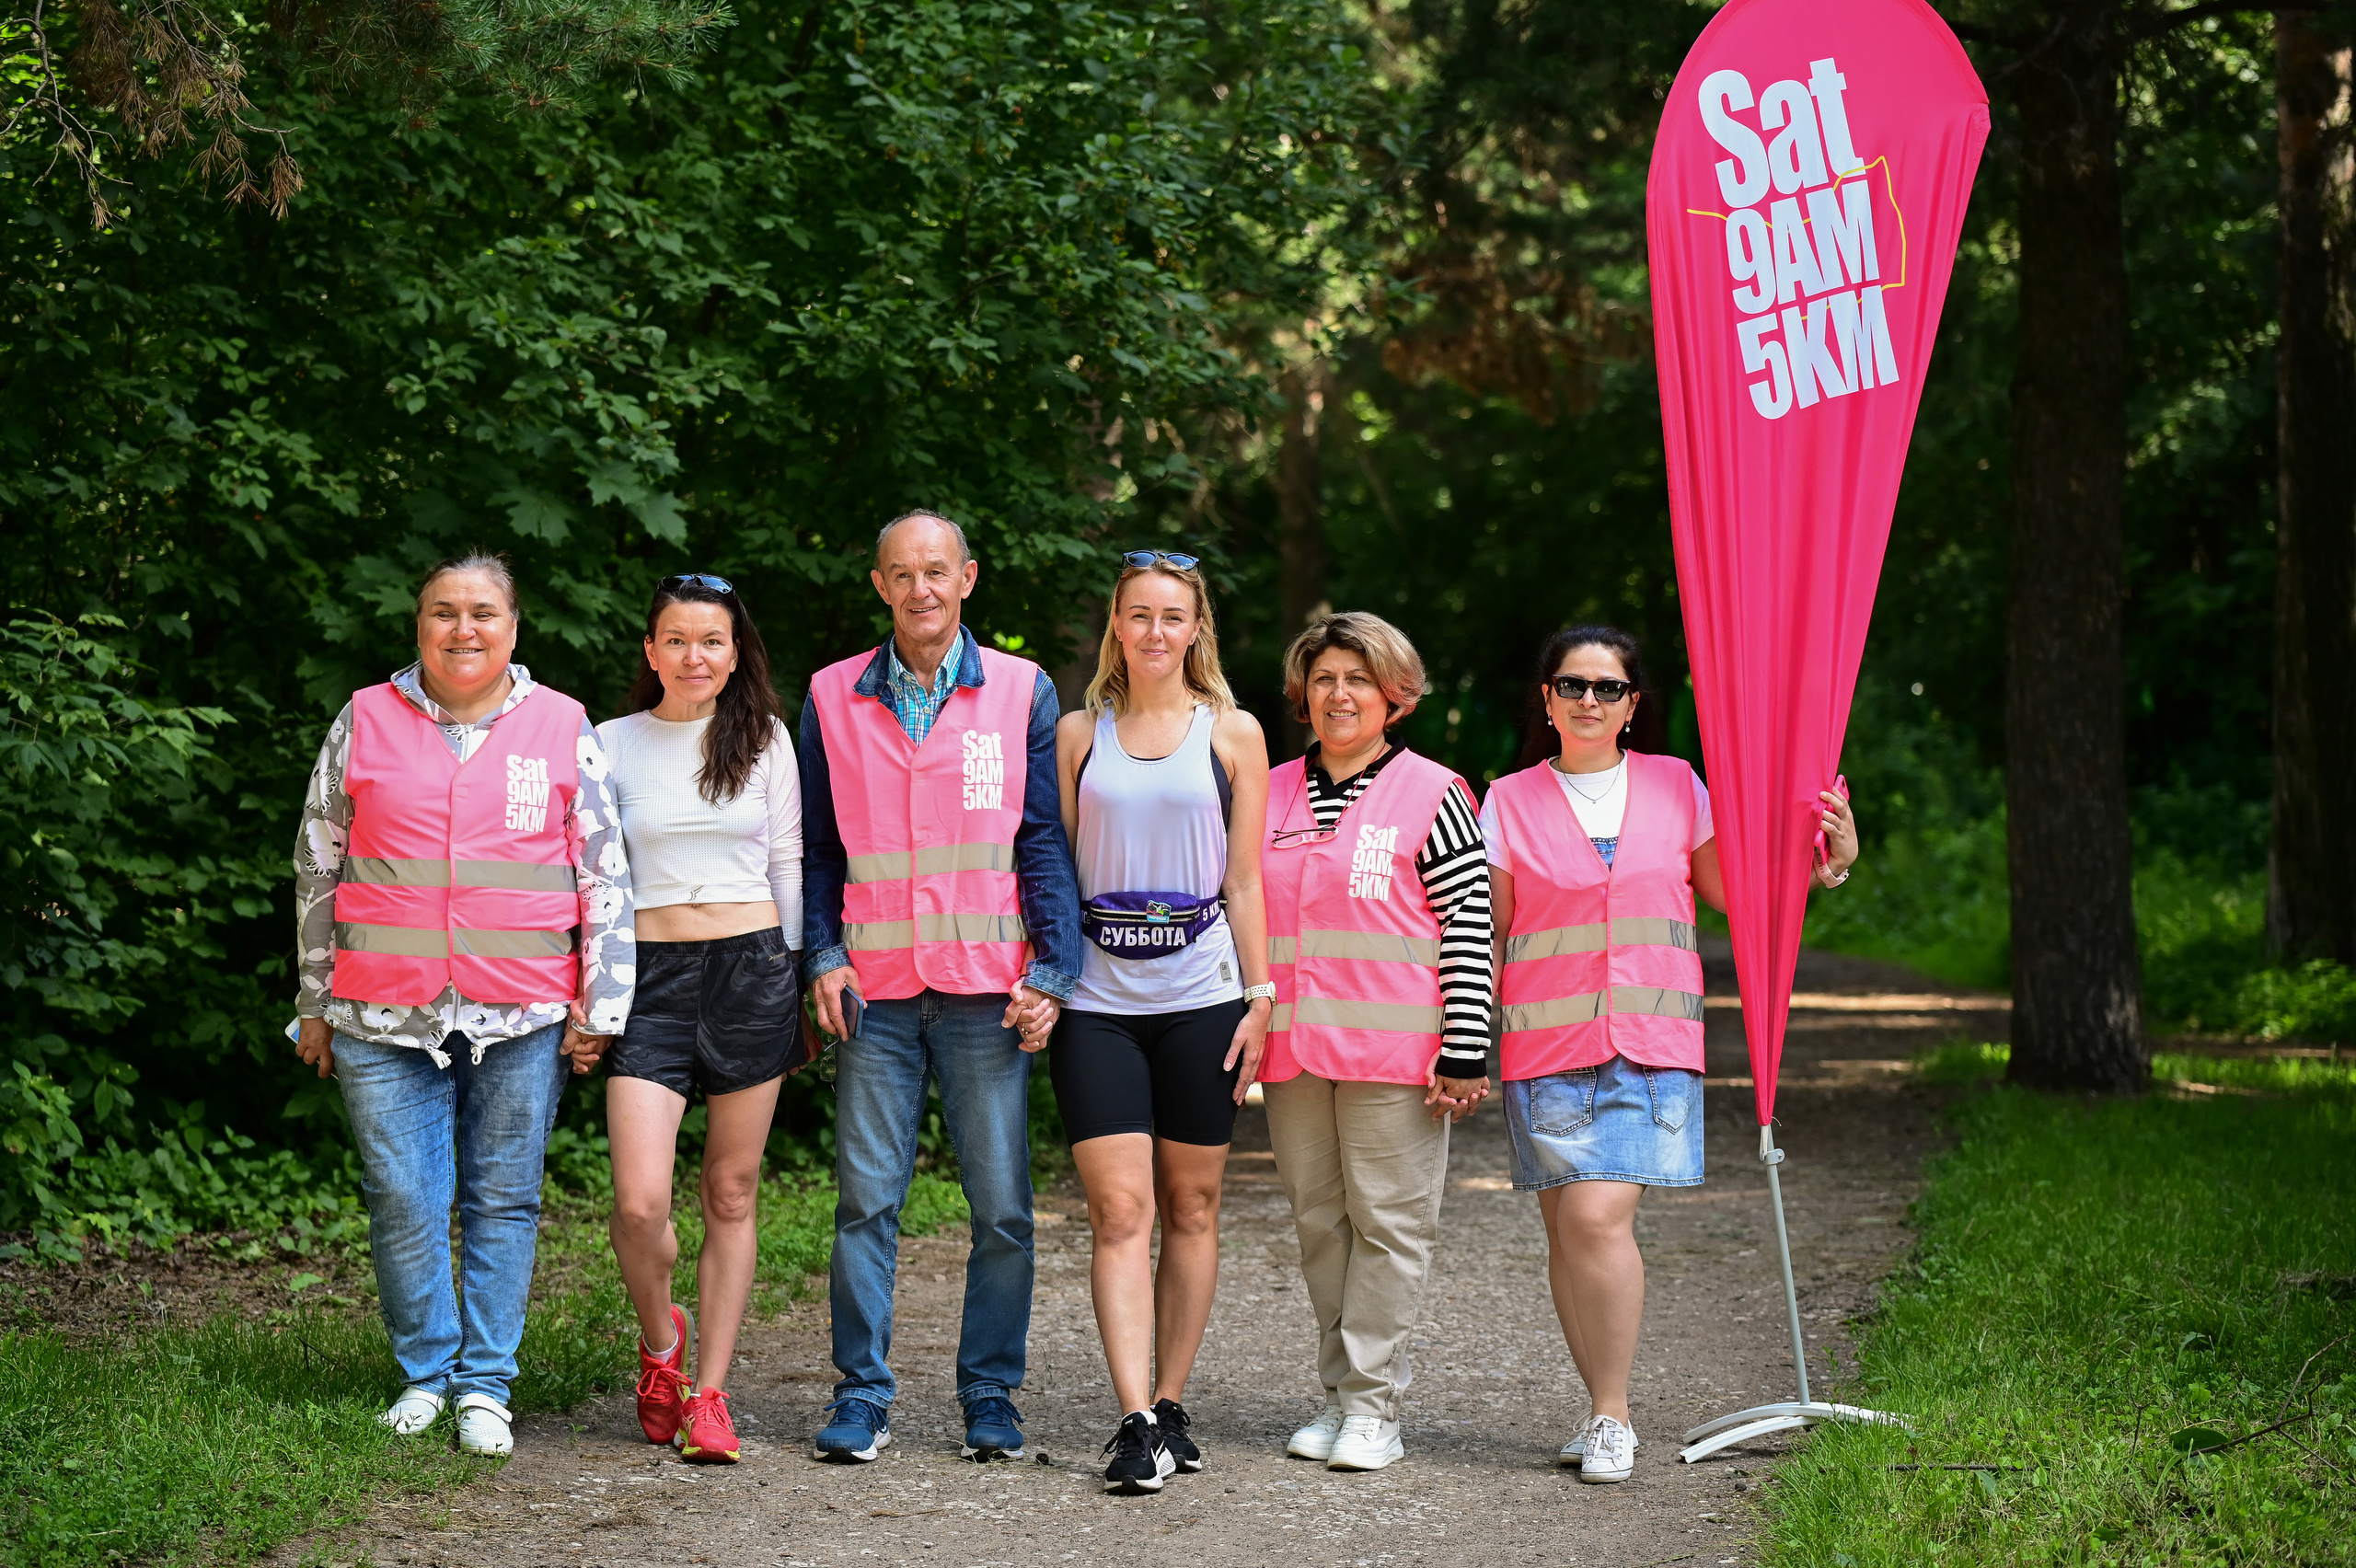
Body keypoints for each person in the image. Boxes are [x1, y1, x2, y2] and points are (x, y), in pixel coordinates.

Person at [1481, 625, 1858, 1484]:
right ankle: (1595, 1406)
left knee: (1596, 1220)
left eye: (1607, 688)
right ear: (1547, 701)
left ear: (1631, 705)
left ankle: (1614, 1416)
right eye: (1571, 685)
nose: (1588, 700)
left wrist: (1826, 867)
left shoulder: (1677, 785)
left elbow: (1734, 895)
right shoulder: (1504, 800)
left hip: (1651, 1046)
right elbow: (1489, 929)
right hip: (1547, 1047)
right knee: (1565, 1233)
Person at [292, 553, 631, 1458]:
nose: (463, 629)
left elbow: (603, 871)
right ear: (419, 626)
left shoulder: (561, 724)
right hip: (379, 1008)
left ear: (514, 627)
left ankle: (485, 1383)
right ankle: (425, 1372)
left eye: (482, 612)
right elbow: (319, 863)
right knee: (403, 1194)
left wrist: (601, 1003)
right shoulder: (365, 718)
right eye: (443, 612)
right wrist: (313, 998)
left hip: (520, 1008)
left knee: (504, 1197)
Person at [798, 511, 1084, 1464]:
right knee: (864, 1204)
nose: (921, 589)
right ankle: (861, 1396)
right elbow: (816, 851)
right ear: (879, 585)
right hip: (873, 992)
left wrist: (1053, 970)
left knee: (1002, 1206)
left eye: (937, 571)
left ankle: (991, 1396)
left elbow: (1041, 837)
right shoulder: (831, 694)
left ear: (968, 577)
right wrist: (822, 956)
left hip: (983, 989)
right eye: (901, 574)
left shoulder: (1022, 690)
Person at [1050, 551, 1275, 1493]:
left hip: (1202, 999)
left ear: (1196, 631)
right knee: (1119, 1210)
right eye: (1137, 615)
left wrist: (1261, 996)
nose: (1153, 632)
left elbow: (1244, 878)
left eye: (1171, 617)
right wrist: (1046, 978)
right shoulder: (1074, 734)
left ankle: (1173, 1401)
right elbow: (1056, 871)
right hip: (1097, 1004)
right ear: (1116, 624)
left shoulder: (1233, 733)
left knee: (1190, 1207)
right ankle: (1134, 1416)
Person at [1256, 611, 1493, 1474]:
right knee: (1320, 1225)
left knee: (1390, 1227)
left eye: (1359, 679)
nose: (1340, 694)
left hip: (1396, 1058)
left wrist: (1466, 1046)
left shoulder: (1437, 791)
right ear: (1302, 696)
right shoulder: (1270, 789)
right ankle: (1337, 1398)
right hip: (1291, 1052)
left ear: (1395, 696)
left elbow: (1468, 922)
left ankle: (1372, 1408)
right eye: (1324, 680)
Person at [596, 572, 803, 1465]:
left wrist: (794, 976)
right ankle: (660, 1345)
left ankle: (710, 1395)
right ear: (651, 651)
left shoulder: (764, 739)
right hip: (648, 979)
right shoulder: (607, 744)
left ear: (734, 653)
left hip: (753, 969)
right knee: (641, 1204)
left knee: (730, 1190)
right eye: (675, 639)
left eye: (711, 640)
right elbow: (592, 875)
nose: (693, 655)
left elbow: (789, 863)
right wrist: (592, 986)